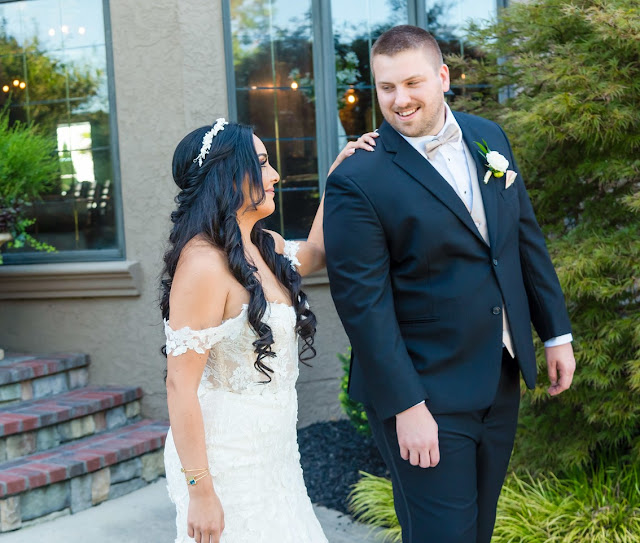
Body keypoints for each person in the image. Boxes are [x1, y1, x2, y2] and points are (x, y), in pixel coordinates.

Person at [323, 25, 576, 543]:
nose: (400, 100)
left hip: (498, 376)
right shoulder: (358, 178)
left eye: (412, 83)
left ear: (442, 77)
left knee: (478, 532)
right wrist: (407, 407)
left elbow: (522, 238)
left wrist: (556, 333)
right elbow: (363, 306)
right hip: (424, 392)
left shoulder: (489, 138)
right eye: (386, 88)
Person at [160, 118, 366, 543]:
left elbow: (318, 252)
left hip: (275, 453)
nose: (275, 175)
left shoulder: (262, 244)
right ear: (227, 173)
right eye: (263, 163)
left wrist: (335, 181)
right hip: (226, 459)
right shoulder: (202, 264)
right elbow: (179, 386)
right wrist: (201, 492)